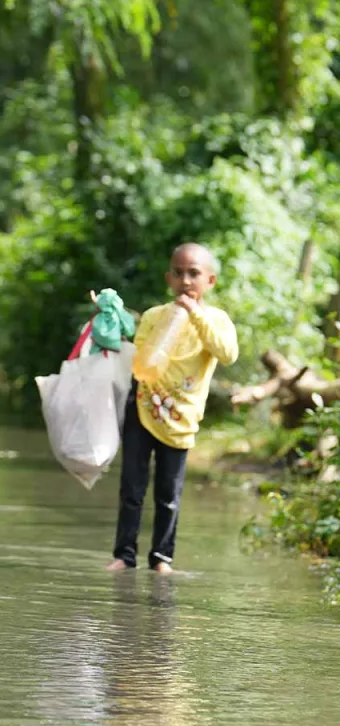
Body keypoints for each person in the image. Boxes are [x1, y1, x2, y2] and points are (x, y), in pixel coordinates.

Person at [107, 243, 238, 574]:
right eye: (178, 273)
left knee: (169, 494)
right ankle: (124, 555)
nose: (186, 281)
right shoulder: (154, 316)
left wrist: (194, 315)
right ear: (169, 279)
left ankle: (162, 558)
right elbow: (142, 361)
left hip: (181, 416)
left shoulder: (217, 320)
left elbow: (227, 354)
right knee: (132, 488)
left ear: (210, 281)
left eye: (194, 274)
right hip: (143, 405)